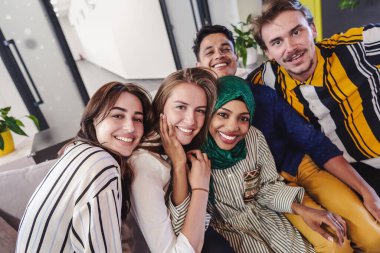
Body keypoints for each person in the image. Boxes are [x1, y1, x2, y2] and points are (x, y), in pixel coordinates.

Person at [193, 24, 380, 252]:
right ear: (198, 64)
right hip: (267, 187)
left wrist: (366, 191)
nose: (219, 55)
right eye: (209, 51)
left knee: (373, 236)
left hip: (301, 167)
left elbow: (312, 140)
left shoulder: (261, 91)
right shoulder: (195, 109)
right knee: (335, 245)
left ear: (234, 56)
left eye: (225, 49)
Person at [248, 0, 380, 195]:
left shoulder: (359, 46)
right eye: (277, 42)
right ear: (268, 53)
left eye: (296, 32)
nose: (291, 47)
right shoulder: (264, 81)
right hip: (343, 175)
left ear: (313, 29)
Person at [16, 81, 153, 252]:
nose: (130, 127)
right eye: (117, 115)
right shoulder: (102, 165)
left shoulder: (77, 150)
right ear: (93, 119)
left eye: (137, 119)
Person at [202, 76, 321, 252]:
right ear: (209, 112)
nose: (233, 126)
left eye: (243, 118)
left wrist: (301, 210)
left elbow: (267, 186)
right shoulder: (194, 156)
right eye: (223, 114)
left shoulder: (254, 137)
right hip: (229, 238)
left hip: (272, 225)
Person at [128, 68, 232, 253]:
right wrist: (201, 188)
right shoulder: (144, 166)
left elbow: (183, 222)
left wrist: (179, 166)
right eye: (181, 107)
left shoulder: (174, 148)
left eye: (200, 110)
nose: (191, 120)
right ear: (161, 107)